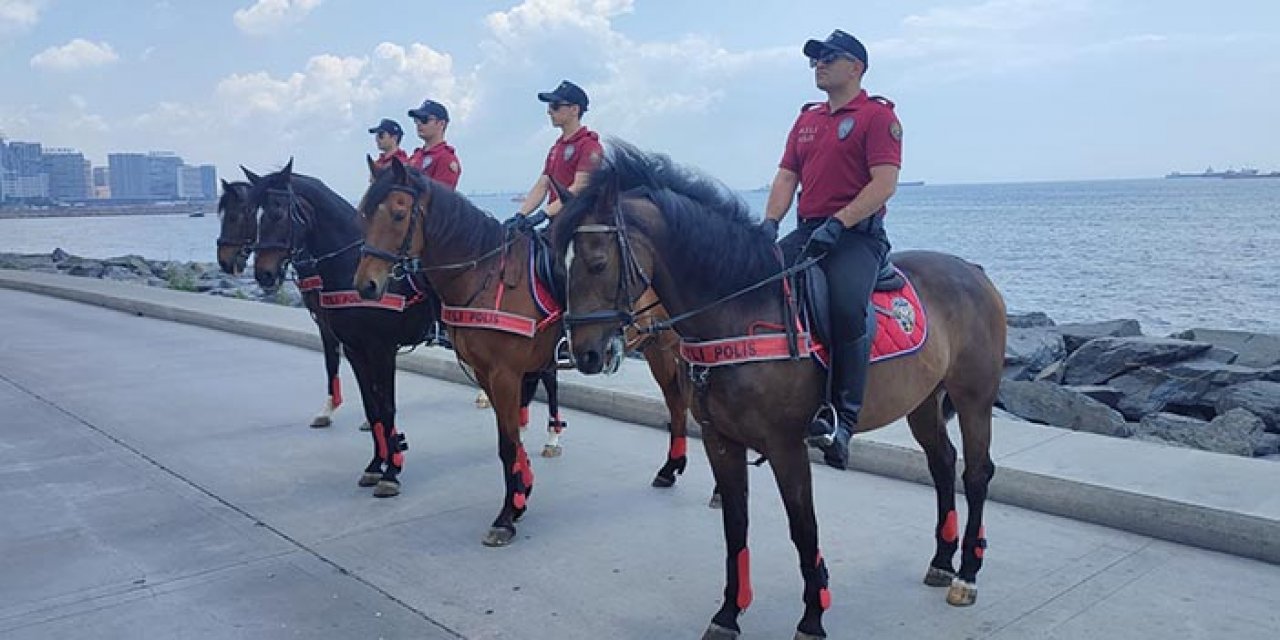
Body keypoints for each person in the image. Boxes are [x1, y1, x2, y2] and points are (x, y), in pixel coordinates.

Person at [761, 29, 902, 470]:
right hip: (809, 230)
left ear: (856, 67)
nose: (819, 64)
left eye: (828, 57)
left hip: (857, 236)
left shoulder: (876, 117)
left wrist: (840, 222)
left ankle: (843, 420)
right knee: (759, 287)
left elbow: (884, 183)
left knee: (844, 307)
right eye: (815, 59)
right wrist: (769, 222)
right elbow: (787, 177)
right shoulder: (806, 120)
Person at [509, 80, 603, 228]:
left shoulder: (589, 146)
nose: (549, 111)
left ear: (574, 110)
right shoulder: (556, 148)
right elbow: (543, 184)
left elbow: (579, 187)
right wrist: (521, 215)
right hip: (557, 222)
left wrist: (544, 213)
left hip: (579, 227)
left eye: (555, 106)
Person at [406, 99, 461, 189]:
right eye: (417, 120)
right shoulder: (416, 156)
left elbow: (441, 197)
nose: (419, 124)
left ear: (441, 124)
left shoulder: (446, 158)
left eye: (425, 120)